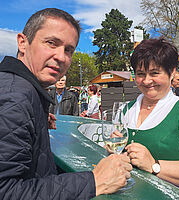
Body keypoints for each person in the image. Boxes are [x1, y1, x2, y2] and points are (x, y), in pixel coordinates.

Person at [0, 8, 132, 199]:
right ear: (23, 42)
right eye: (51, 43)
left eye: (68, 50)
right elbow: (6, 191)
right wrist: (94, 181)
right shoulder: (14, 97)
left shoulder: (22, 92)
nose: (61, 57)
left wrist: (35, 120)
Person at [115, 38, 179, 198]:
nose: (147, 81)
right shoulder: (124, 109)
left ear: (171, 72)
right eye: (140, 74)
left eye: (154, 73)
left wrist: (154, 165)